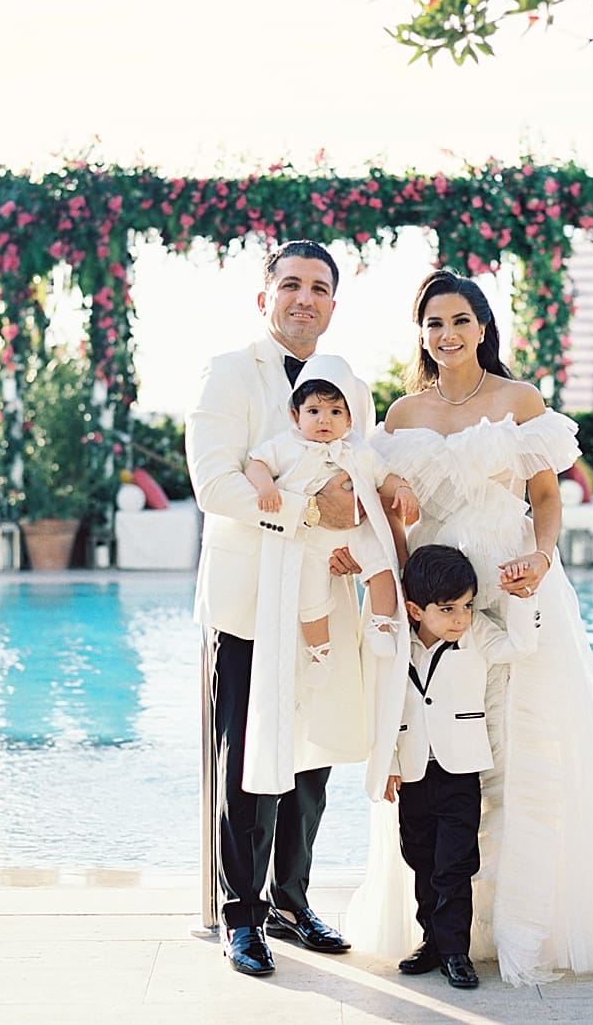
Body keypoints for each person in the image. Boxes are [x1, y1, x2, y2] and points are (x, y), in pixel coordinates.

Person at [349, 268, 593, 986]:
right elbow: (384, 504)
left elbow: (545, 495)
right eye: (434, 323)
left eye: (460, 321)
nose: (447, 335)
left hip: (513, 585)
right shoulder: (402, 414)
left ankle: (525, 923)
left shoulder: (518, 399)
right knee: (435, 761)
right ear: (421, 333)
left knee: (523, 757)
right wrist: (393, 498)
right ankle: (443, 929)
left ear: (483, 327)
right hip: (438, 602)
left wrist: (542, 556)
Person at [186, 240, 374, 977]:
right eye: (290, 284)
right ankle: (243, 915)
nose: (305, 298)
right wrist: (307, 508)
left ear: (333, 303)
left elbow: (361, 473)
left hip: (325, 596)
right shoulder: (229, 373)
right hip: (247, 602)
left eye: (319, 288)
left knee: (315, 756)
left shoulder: (348, 382)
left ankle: (292, 902)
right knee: (248, 761)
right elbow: (216, 486)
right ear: (264, 297)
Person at [377, 544, 540, 990]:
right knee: (420, 857)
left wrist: (522, 599)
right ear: (414, 609)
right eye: (447, 610)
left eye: (466, 607)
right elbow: (385, 707)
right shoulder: (395, 644)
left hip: (460, 770)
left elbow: (521, 645)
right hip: (413, 770)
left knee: (453, 863)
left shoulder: (478, 635)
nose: (460, 619)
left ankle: (455, 952)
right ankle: (431, 939)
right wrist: (388, 761)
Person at [243, 358, 417, 683]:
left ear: (350, 419)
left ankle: (381, 623)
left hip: (354, 531)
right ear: (296, 415)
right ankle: (319, 654)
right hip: (309, 537)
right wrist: (265, 485)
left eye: (335, 412)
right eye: (314, 412)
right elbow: (255, 463)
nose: (324, 420)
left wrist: (403, 488)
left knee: (381, 564)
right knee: (310, 596)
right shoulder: (286, 446)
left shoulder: (358, 450)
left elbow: (384, 477)